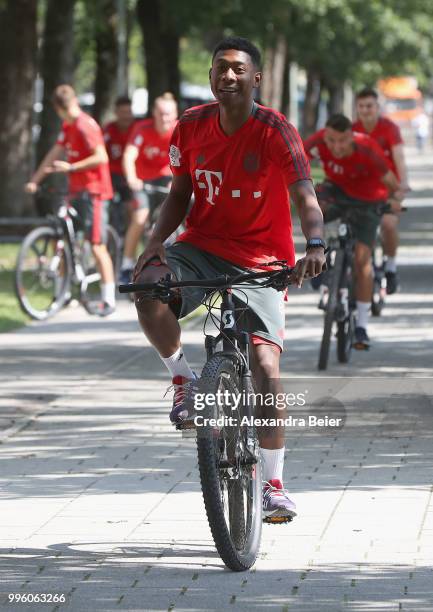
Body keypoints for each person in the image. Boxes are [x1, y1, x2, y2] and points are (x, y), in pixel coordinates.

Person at [132, 37, 326, 521]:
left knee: (264, 366)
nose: (228, 75)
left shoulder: (276, 130)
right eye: (220, 67)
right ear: (212, 75)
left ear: (255, 78)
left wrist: (316, 245)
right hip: (200, 248)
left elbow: (305, 196)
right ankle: (183, 379)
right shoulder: (191, 125)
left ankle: (274, 482)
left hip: (261, 261)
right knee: (149, 290)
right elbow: (179, 191)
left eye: (239, 68)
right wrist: (157, 241)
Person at [304, 114, 401, 349]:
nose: (336, 147)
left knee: (361, 260)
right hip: (337, 191)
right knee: (313, 207)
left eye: (342, 141)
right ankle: (320, 263)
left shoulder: (367, 149)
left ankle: (361, 326)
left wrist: (394, 202)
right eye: (331, 141)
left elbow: (392, 183)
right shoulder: (319, 141)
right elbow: (296, 161)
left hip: (368, 201)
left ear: (352, 136)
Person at [25, 84, 115, 316]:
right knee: (61, 239)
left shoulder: (85, 125)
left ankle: (108, 298)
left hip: (94, 192)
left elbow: (101, 157)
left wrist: (72, 166)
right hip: (76, 190)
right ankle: (63, 293)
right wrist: (35, 179)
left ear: (58, 108)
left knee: (97, 245)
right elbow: (54, 153)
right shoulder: (68, 125)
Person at [353, 87, 409, 294]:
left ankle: (391, 268)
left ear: (377, 107)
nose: (366, 110)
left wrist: (401, 186)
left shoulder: (390, 128)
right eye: (361, 106)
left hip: (387, 189)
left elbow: (400, 160)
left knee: (388, 224)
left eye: (369, 106)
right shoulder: (352, 130)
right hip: (359, 190)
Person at [120, 93, 178, 283]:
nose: (164, 119)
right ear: (154, 113)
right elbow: (129, 155)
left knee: (174, 217)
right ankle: (127, 264)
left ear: (175, 114)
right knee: (140, 216)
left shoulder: (180, 130)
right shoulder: (142, 128)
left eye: (168, 115)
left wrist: (178, 180)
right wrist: (131, 177)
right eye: (160, 114)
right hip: (143, 181)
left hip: (167, 178)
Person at [103, 96, 136, 236]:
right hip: (111, 174)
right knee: (107, 205)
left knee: (131, 206)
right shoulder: (109, 130)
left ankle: (130, 235)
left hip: (131, 176)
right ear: (116, 113)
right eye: (122, 112)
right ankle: (109, 235)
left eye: (128, 112)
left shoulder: (136, 128)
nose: (126, 116)